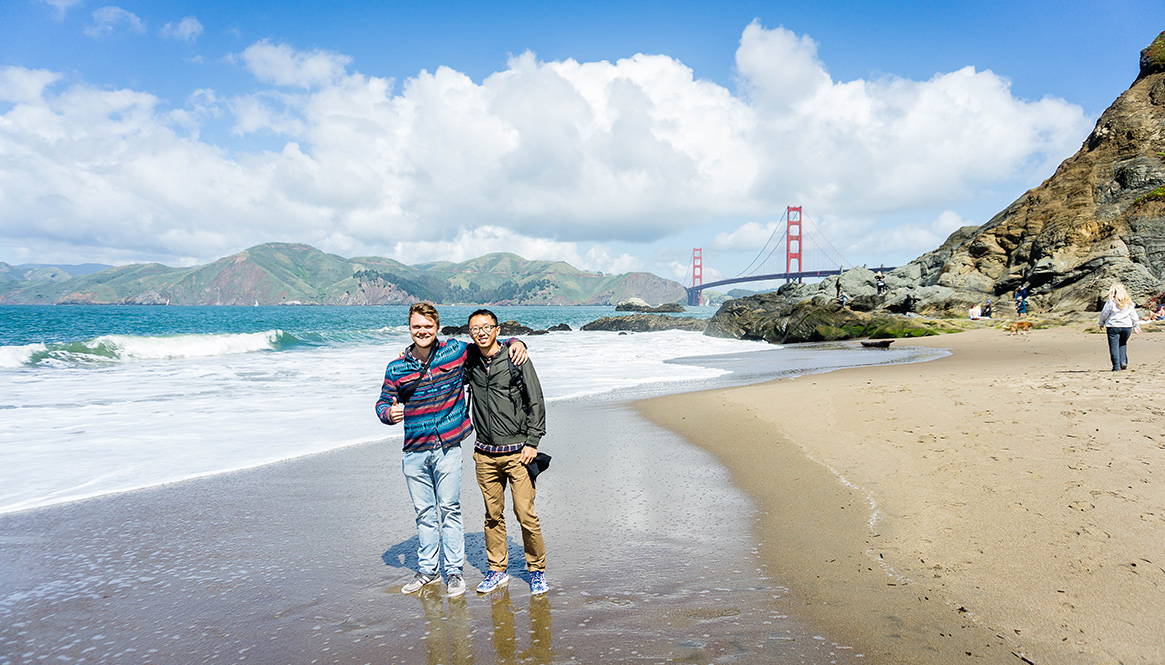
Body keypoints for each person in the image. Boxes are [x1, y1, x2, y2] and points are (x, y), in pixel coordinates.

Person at [376, 302, 527, 596]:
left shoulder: (454, 351)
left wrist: (516, 341)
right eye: (417, 326)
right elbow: (383, 403)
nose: (422, 331)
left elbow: (488, 343)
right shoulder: (396, 367)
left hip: (448, 447)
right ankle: (427, 571)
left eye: (428, 326)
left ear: (437, 327)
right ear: (410, 328)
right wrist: (388, 414)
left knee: (449, 510)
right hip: (414, 450)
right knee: (424, 513)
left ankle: (454, 572)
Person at [464, 309, 549, 596]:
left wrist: (532, 442)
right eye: (476, 328)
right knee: (492, 515)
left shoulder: (516, 357)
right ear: (470, 333)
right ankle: (496, 570)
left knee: (526, 514)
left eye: (487, 327)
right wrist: (408, 353)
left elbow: (536, 400)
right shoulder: (469, 360)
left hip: (518, 453)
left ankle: (536, 571)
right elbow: (438, 357)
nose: (482, 332)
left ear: (497, 330)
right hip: (484, 454)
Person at [1098, 282, 1141, 371]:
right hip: (1127, 326)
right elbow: (1134, 315)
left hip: (1113, 326)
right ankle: (1123, 362)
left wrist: (1101, 322)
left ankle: (1116, 366)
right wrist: (1136, 325)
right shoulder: (1129, 302)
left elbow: (1105, 313)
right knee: (1122, 344)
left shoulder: (1110, 302)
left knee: (1114, 346)